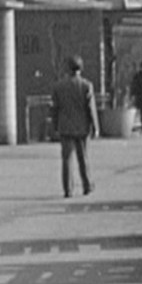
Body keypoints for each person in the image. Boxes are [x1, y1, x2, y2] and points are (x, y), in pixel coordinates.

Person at [51, 55, 100, 198]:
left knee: (66, 159)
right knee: (83, 157)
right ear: (81, 68)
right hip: (82, 127)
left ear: (68, 68)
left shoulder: (59, 86)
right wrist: (95, 127)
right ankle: (87, 185)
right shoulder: (86, 85)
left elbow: (55, 109)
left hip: (65, 127)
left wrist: (55, 126)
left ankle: (68, 189)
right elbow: (91, 108)